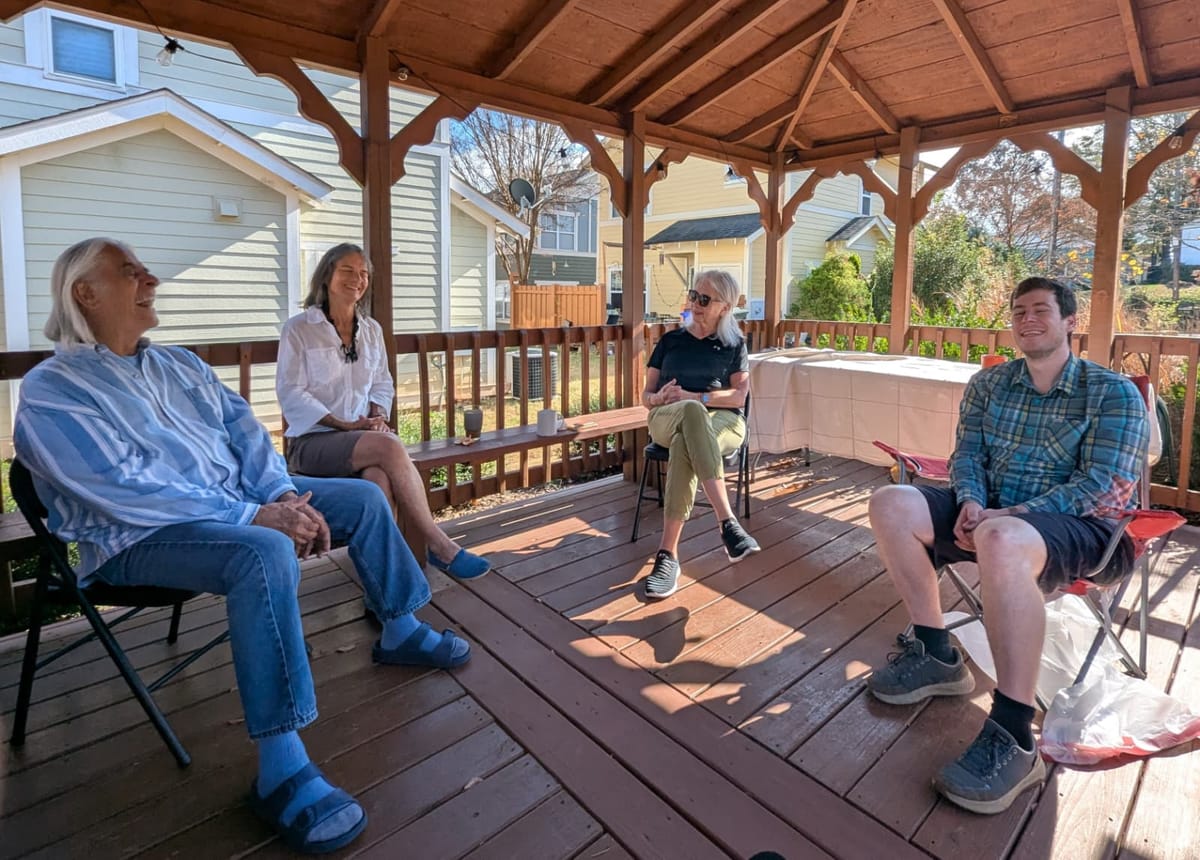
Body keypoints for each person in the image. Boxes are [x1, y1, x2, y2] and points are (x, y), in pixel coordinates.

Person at [14, 238, 474, 854]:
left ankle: (399, 627)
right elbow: (125, 488)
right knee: (262, 551)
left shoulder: (177, 365)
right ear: (84, 294)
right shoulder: (54, 389)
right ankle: (282, 768)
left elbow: (246, 432)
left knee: (363, 499)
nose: (151, 276)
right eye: (130, 271)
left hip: (237, 507)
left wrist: (283, 496)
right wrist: (257, 516)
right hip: (139, 540)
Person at [865, 276, 1148, 815]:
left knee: (999, 537)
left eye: (1041, 310)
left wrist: (1005, 515)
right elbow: (966, 455)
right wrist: (971, 501)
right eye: (1018, 312)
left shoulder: (1111, 393)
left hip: (1084, 530)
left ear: (1070, 322)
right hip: (991, 515)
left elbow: (1106, 486)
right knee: (891, 501)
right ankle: (937, 651)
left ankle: (1016, 732)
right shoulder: (989, 385)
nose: (1027, 320)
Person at [276, 243, 490, 580]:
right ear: (327, 275)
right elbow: (291, 392)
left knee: (377, 482)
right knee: (389, 446)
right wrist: (343, 424)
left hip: (362, 440)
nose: (357, 279)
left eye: (363, 274)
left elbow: (382, 382)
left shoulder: (371, 331)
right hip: (312, 443)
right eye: (348, 270)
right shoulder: (300, 329)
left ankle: (382, 589)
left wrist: (376, 414)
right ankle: (437, 543)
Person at [639, 270, 760, 598]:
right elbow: (646, 397)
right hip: (667, 416)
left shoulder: (734, 345)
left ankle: (667, 556)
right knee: (690, 416)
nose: (695, 303)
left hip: (723, 421)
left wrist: (696, 397)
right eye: (694, 295)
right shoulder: (670, 341)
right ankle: (728, 523)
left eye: (704, 299)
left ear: (724, 307)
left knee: (686, 439)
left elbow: (738, 397)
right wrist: (660, 398)